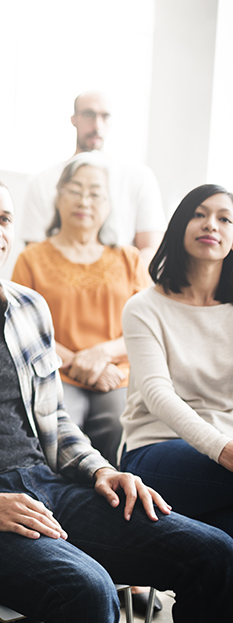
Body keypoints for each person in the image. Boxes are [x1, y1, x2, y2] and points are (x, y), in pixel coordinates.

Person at [0, 171, 233, 620]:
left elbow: (54, 418)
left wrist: (100, 469)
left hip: (48, 485)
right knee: (89, 590)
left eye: (4, 219)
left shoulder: (30, 309)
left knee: (214, 553)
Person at [12, 153, 149, 465]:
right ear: (58, 197)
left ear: (109, 204)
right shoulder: (32, 258)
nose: (84, 201)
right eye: (75, 190)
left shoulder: (129, 259)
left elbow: (147, 329)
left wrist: (101, 357)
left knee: (119, 424)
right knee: (61, 428)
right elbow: (21, 328)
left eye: (95, 193)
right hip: (54, 371)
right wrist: (80, 363)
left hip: (117, 374)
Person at [120, 184, 233, 537]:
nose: (211, 224)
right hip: (155, 450)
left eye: (224, 218)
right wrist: (223, 449)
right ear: (179, 227)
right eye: (199, 214)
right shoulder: (144, 307)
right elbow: (158, 394)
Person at [20, 91, 165, 260]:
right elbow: (33, 252)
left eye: (105, 116)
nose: (97, 124)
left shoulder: (140, 178)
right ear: (73, 119)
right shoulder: (41, 182)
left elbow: (151, 248)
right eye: (89, 115)